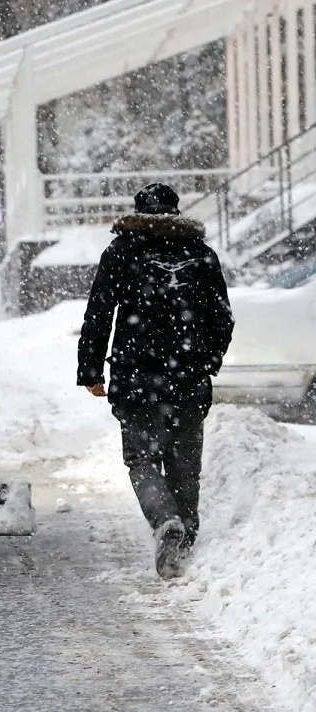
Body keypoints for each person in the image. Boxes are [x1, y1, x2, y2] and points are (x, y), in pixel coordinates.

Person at [77, 183, 234, 579]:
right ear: (176, 212)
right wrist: (206, 362)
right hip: (188, 379)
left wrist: (91, 371)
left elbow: (99, 314)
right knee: (184, 462)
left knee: (142, 459)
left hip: (136, 379)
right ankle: (186, 535)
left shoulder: (120, 253)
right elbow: (222, 319)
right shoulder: (201, 255)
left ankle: (166, 522)